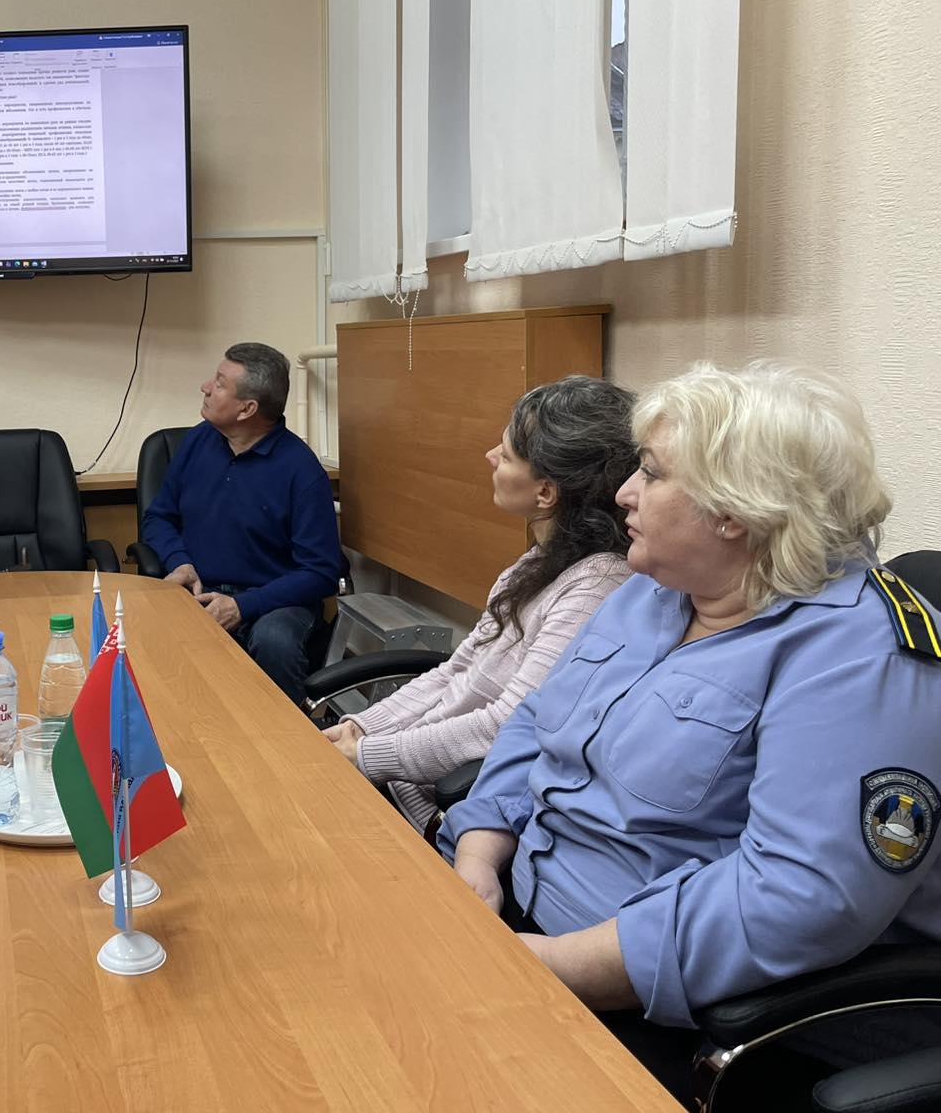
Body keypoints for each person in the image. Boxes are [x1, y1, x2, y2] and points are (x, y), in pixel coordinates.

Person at [438, 360, 941, 1099]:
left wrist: (552, 965)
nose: (623, 492)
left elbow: (796, 899)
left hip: (660, 1007)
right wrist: (479, 851)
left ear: (732, 510)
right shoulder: (653, 589)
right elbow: (539, 722)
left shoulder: (864, 656)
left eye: (650, 472)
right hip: (509, 911)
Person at [324, 376, 637, 830]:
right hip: (401, 774)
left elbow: (504, 725)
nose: (490, 456)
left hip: (437, 807)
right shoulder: (538, 562)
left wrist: (367, 755)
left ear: (546, 492)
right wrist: (362, 728)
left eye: (506, 455)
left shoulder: (597, 587)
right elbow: (456, 671)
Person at [141, 342, 344, 703]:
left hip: (275, 600)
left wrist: (243, 606)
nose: (205, 387)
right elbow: (159, 517)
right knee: (144, 634)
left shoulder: (301, 470)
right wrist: (179, 562)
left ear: (248, 409)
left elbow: (321, 572)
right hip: (199, 589)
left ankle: (281, 733)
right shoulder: (198, 441)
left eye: (220, 384)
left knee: (274, 642)